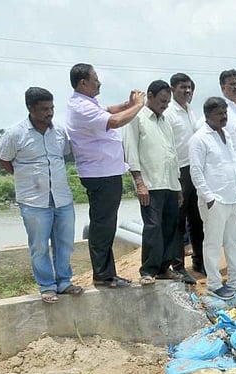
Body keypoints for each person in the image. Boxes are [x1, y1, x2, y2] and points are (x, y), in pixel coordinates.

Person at [0, 86, 82, 303]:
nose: (49, 112)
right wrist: (27, 177)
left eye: (52, 108)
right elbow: (4, 160)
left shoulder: (59, 132)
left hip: (62, 197)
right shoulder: (15, 134)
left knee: (65, 243)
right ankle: (47, 286)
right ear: (30, 108)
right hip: (33, 201)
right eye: (44, 109)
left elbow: (63, 156)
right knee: (40, 245)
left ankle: (64, 282)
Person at [66, 63, 145, 288]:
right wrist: (138, 106)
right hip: (100, 174)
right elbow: (115, 121)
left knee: (107, 225)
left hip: (106, 172)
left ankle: (106, 273)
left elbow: (109, 111)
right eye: (95, 78)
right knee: (103, 226)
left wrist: (127, 104)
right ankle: (102, 275)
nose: (99, 82)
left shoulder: (88, 103)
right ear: (83, 82)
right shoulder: (81, 106)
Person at [188, 97, 236, 299]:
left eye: (225, 113)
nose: (224, 117)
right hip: (214, 200)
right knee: (213, 243)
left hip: (233, 198)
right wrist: (208, 197)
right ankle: (215, 284)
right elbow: (196, 171)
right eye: (220, 114)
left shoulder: (226, 135)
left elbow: (232, 166)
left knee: (235, 241)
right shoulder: (199, 139)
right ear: (208, 115)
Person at [122, 79, 182, 285]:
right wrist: (139, 182)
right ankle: (148, 270)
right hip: (151, 184)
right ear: (150, 96)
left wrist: (179, 185)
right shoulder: (136, 118)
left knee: (170, 227)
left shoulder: (166, 122)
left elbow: (172, 154)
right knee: (152, 227)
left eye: (168, 102)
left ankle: (165, 267)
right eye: (162, 101)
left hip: (171, 184)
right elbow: (130, 150)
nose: (165, 105)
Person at [164, 72, 204, 278]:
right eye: (182, 87)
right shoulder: (169, 114)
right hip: (178, 171)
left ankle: (199, 261)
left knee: (197, 220)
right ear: (173, 89)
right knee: (178, 223)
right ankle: (178, 267)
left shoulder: (190, 110)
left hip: (195, 169)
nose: (187, 91)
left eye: (189, 88)